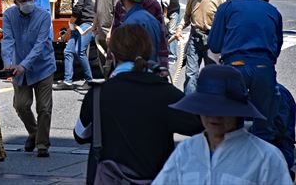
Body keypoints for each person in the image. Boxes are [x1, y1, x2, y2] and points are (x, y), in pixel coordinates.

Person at [74, 25, 202, 185]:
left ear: (112, 55)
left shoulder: (98, 94)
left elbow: (80, 135)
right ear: (148, 53)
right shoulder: (166, 93)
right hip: (155, 178)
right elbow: (198, 125)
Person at [153, 65, 292, 185]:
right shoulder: (186, 151)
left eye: (223, 110)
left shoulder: (265, 157)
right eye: (208, 108)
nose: (214, 116)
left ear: (237, 112)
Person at [209, 0, 283, 147]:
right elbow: (276, 48)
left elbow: (214, 45)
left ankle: (234, 156)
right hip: (263, 67)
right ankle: (262, 157)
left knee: (231, 125)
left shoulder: (228, 6)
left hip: (234, 67)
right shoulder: (273, 12)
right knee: (264, 125)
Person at [1, 0, 55, 157]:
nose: (27, 3)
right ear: (15, 2)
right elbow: (7, 40)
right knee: (21, 105)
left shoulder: (43, 16)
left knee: (44, 107)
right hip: (18, 67)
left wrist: (23, 65)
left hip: (43, 66)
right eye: (23, 0)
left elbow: (40, 45)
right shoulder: (9, 15)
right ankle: (34, 132)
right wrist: (8, 63)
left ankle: (42, 144)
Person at [175, 0, 226, 94]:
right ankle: (189, 103)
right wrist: (179, 28)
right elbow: (187, 16)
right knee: (191, 74)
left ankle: (212, 103)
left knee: (213, 75)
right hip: (195, 39)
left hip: (212, 41)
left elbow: (225, 22)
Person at [112, 0, 170, 71]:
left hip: (135, 74)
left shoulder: (130, 23)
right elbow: (162, 45)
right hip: (151, 73)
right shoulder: (152, 19)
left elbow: (127, 59)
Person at [56, 0, 94, 91]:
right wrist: (71, 26)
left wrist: (70, 24)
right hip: (78, 24)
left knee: (79, 51)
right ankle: (68, 81)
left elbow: (77, 9)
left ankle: (89, 80)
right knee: (68, 51)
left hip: (86, 23)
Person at [93, 0, 120, 77]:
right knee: (103, 61)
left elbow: (117, 11)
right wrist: (94, 24)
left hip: (111, 31)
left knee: (112, 62)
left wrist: (111, 31)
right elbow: (97, 9)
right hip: (100, 31)